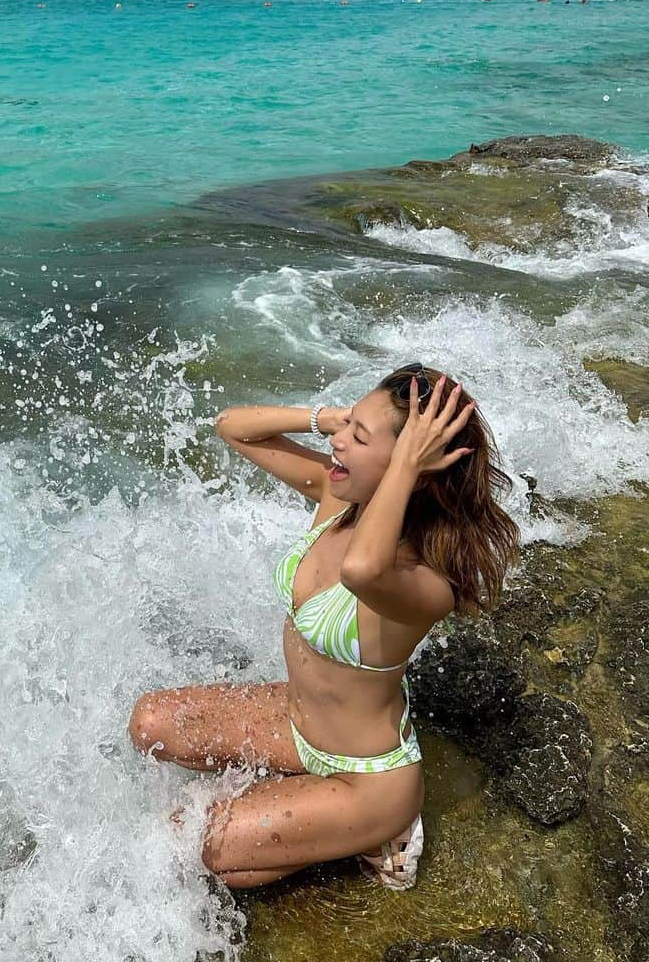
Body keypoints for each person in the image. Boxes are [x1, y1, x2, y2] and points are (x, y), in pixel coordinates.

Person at [129, 364, 519, 890]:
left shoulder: (426, 580)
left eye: (358, 436)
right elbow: (231, 425)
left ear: (413, 466)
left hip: (364, 778)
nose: (339, 442)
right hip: (295, 724)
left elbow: (361, 570)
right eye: (346, 425)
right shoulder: (342, 497)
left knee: (197, 841)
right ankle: (320, 819)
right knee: (149, 724)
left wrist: (404, 464)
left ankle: (380, 832)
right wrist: (331, 419)